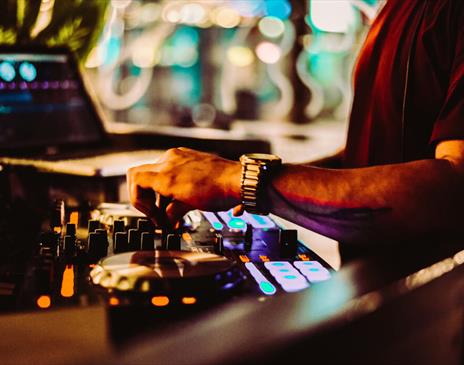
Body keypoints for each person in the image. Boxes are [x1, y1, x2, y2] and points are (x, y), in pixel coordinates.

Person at [127, 0, 464, 261]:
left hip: (432, 326)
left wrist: (242, 181)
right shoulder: (397, 8)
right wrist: (232, 178)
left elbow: (454, 186)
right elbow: (371, 154)